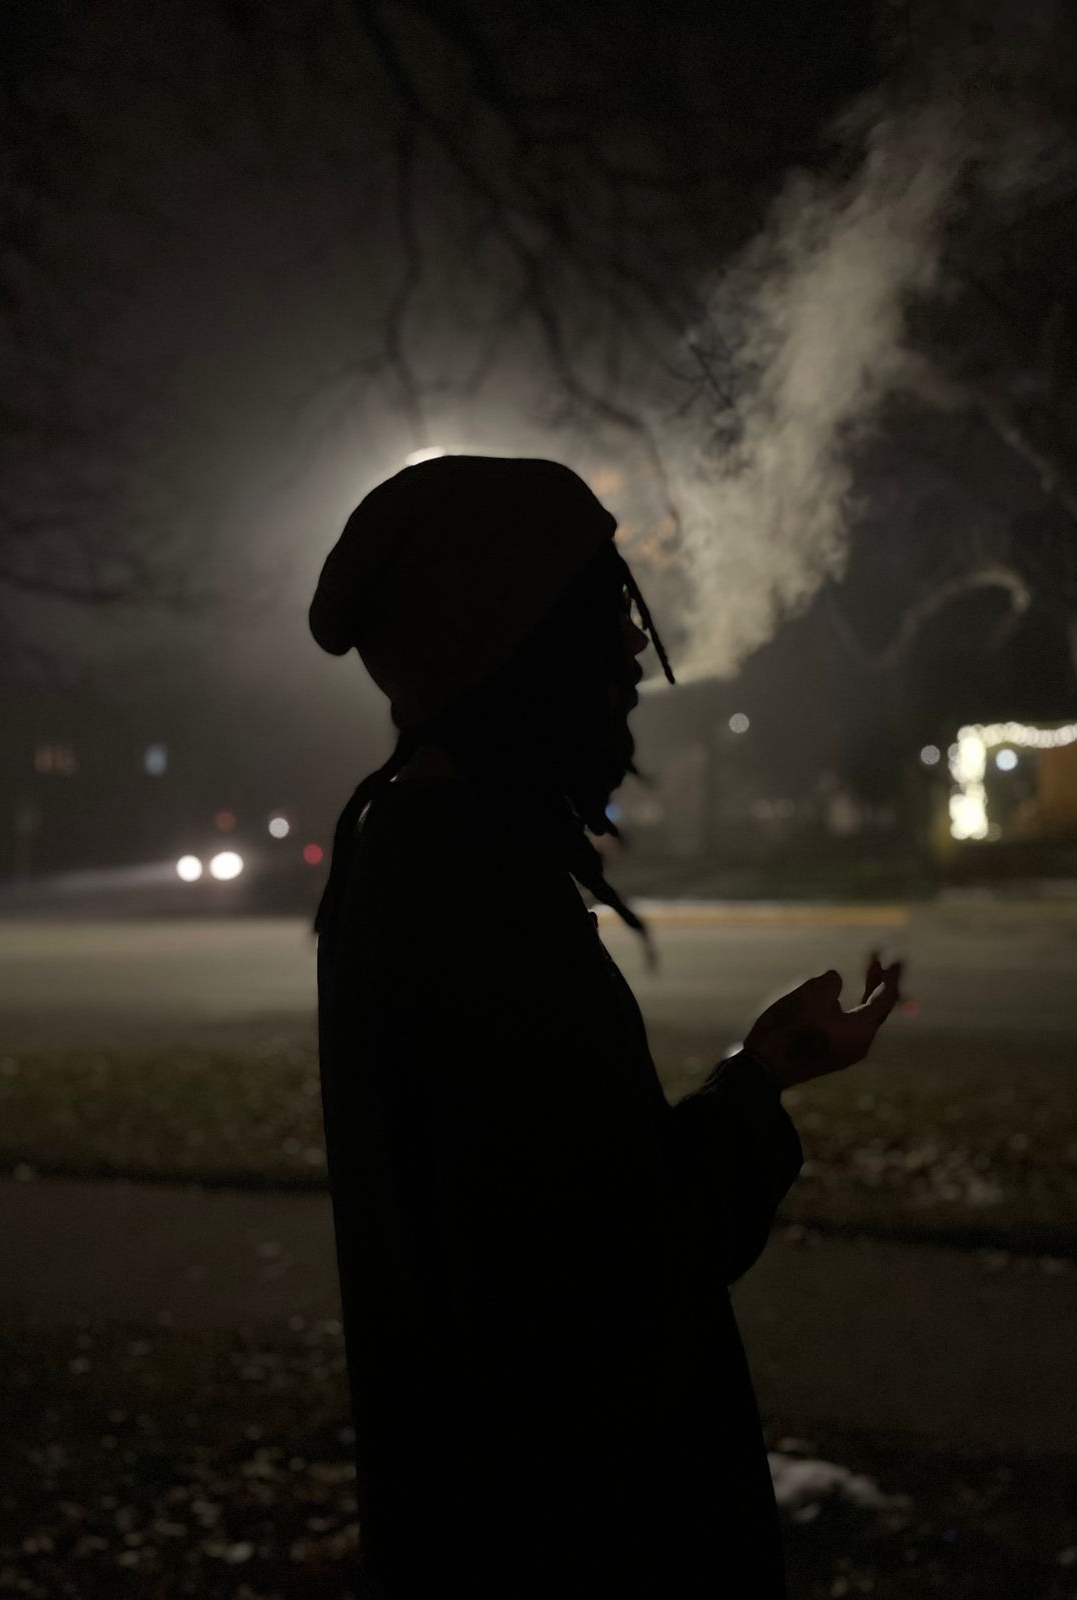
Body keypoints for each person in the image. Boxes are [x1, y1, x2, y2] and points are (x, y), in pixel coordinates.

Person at [308, 454, 902, 1599]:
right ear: (510, 644)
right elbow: (619, 1275)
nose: (635, 647)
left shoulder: (415, 854)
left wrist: (761, 1071)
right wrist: (748, 1107)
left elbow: (565, 1207)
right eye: (602, 612)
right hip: (576, 1539)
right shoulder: (470, 896)